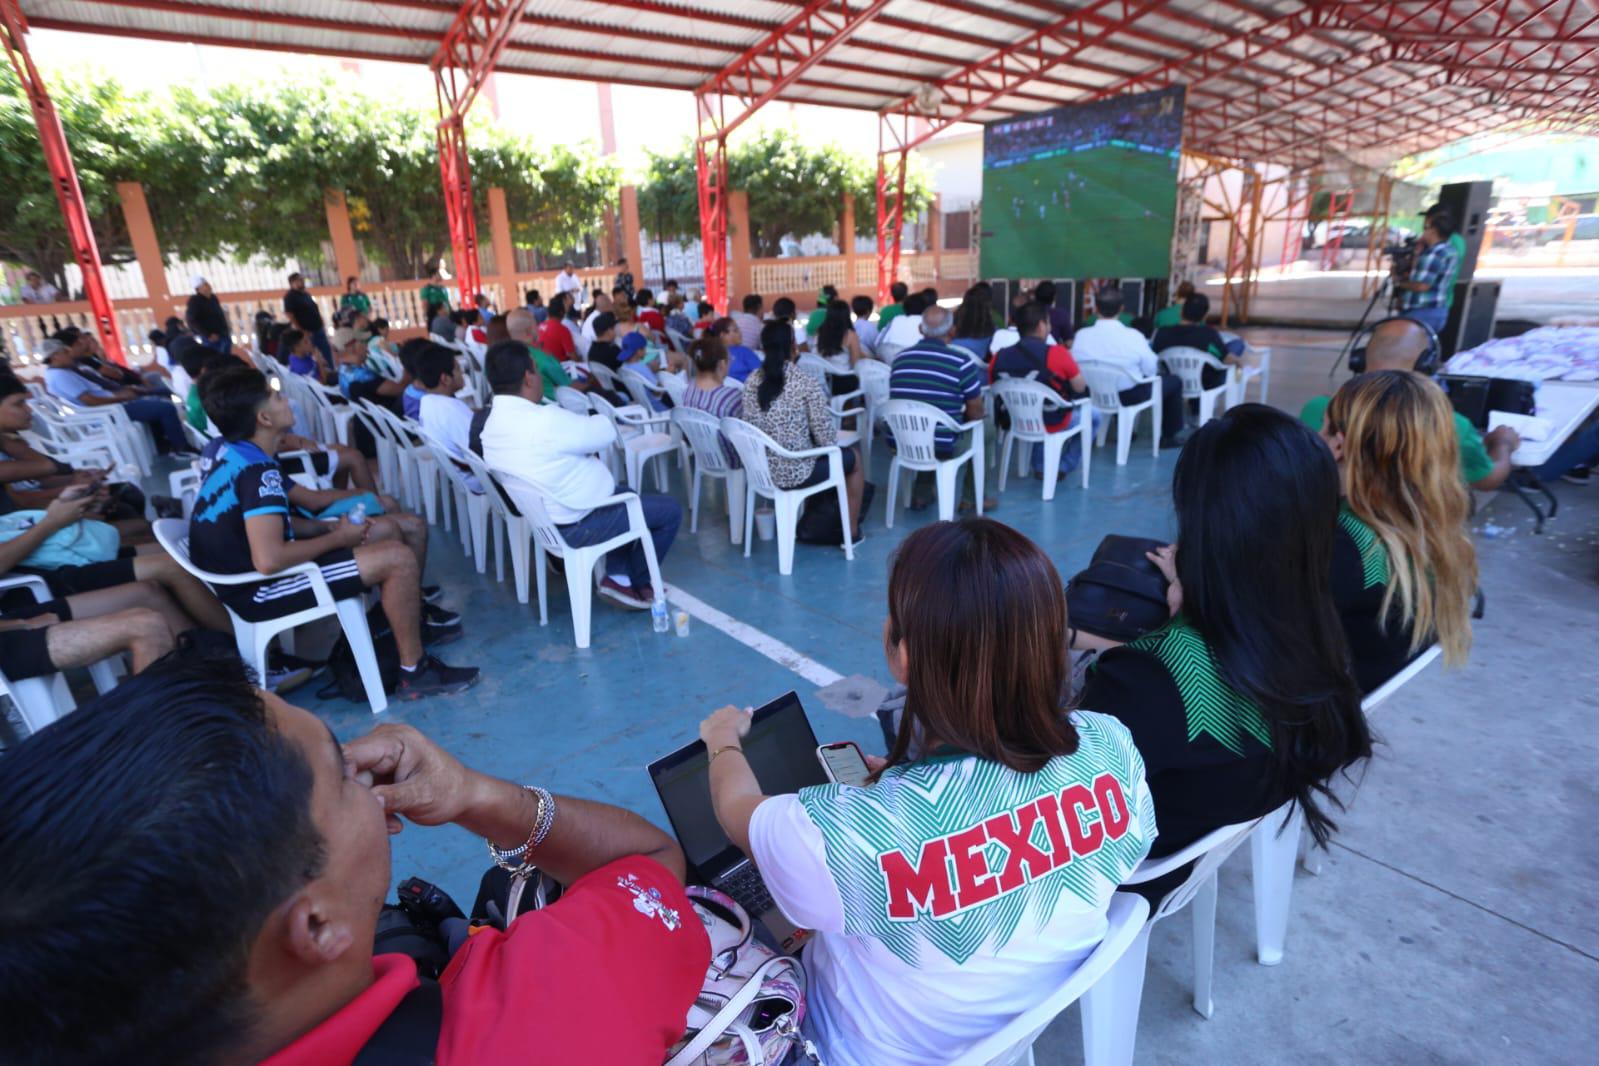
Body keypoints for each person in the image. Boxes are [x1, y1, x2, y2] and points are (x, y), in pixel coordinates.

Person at [0, 653, 710, 1064]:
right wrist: (474, 794)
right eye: (340, 772)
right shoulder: (532, 1011)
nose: (367, 775)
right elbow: (647, 858)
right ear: (313, 928)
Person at [700, 519, 1154, 1065]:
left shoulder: (846, 836)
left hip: (860, 1047)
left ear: (906, 655)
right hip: (1013, 1022)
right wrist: (900, 790)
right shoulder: (1111, 744)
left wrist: (722, 741)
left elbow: (736, 814)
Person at [1079, 405, 1372, 901]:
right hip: (1202, 833)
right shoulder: (1321, 632)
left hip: (1124, 878)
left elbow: (1058, 800)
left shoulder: (1145, 681)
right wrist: (1185, 608)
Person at [193, 365, 477, 698]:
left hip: (247, 580)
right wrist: (336, 539)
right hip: (259, 590)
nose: (286, 400)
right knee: (397, 559)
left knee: (386, 531)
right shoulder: (258, 473)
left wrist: (323, 528)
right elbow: (269, 560)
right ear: (264, 420)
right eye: (276, 396)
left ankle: (398, 626)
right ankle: (415, 672)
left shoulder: (240, 456)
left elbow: (267, 526)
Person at [478, 341, 680, 610]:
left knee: (626, 495)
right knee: (670, 511)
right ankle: (640, 580)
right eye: (537, 371)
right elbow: (605, 432)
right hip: (579, 523)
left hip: (546, 523)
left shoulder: (490, 425)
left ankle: (617, 577)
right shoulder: (544, 420)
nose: (539, 377)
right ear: (528, 378)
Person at [1319, 371, 1478, 693]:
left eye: (1322, 429)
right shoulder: (1434, 528)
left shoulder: (1343, 549)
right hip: (1353, 693)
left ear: (1339, 445)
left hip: (1303, 718)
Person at [1299, 317, 1519, 491]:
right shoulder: (1449, 424)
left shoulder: (1317, 409)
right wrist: (1503, 443)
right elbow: (1487, 480)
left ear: (1359, 357)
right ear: (1425, 364)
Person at [741, 321, 865, 542]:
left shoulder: (751, 381)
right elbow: (827, 440)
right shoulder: (804, 381)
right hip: (795, 473)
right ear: (793, 346)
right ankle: (852, 532)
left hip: (759, 469)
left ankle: (816, 517)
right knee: (853, 459)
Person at [888, 304, 988, 511]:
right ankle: (971, 498)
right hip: (942, 444)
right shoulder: (961, 362)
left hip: (902, 441)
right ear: (952, 331)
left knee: (926, 426)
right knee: (986, 429)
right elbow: (976, 411)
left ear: (920, 330)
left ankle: (922, 493)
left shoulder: (899, 360)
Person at [1071, 287, 1183, 449]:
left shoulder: (1081, 335)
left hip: (1092, 393)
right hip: (1128, 396)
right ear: (1121, 309)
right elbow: (1150, 370)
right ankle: (1168, 436)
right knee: (1174, 382)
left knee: (1120, 381)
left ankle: (1126, 430)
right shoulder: (1133, 336)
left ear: (1096, 308)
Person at [41, 339, 192, 455]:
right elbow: (91, 401)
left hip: (111, 406)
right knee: (166, 408)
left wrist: (121, 394)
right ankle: (181, 448)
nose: (70, 355)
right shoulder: (60, 376)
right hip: (108, 412)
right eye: (65, 352)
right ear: (55, 356)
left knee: (156, 401)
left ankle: (164, 444)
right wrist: (121, 398)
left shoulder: (60, 372)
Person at [992, 301, 1090, 476]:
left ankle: (1040, 463)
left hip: (1015, 420)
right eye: (1048, 323)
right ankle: (1063, 465)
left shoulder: (999, 356)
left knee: (1041, 408)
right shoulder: (1058, 353)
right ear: (1041, 326)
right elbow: (1080, 387)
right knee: (1093, 416)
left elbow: (993, 386)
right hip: (1053, 420)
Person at [1152, 292, 1237, 392]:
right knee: (1236, 346)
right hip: (1204, 384)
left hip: (1169, 382)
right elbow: (1225, 358)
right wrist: (1239, 363)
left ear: (1181, 311)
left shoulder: (1161, 333)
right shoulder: (1208, 334)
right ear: (1205, 316)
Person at [1394, 207, 1460, 335]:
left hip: (1422, 312)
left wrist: (1398, 281)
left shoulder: (1432, 254)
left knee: (1410, 352)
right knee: (1425, 351)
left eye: (1425, 227)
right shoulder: (1450, 250)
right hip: (1438, 310)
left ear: (1433, 230)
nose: (1423, 231)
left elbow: (1421, 286)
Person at [681, 334, 743, 466]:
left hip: (702, 455)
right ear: (721, 364)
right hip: (730, 459)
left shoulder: (688, 390)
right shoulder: (731, 397)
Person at [506, 306, 586, 401]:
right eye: (536, 324)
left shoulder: (504, 357)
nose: (538, 327)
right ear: (528, 331)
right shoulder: (542, 358)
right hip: (554, 407)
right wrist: (591, 383)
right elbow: (570, 386)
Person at [283, 272, 332, 370]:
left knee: (326, 352)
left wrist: (321, 321)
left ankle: (331, 371)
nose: (302, 282)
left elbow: (314, 309)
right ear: (292, 283)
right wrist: (302, 330)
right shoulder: (289, 297)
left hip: (318, 328)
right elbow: (290, 315)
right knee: (311, 355)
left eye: (302, 279)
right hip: (307, 332)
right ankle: (318, 375)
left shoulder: (306, 294)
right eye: (299, 280)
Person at [814, 299, 865, 393]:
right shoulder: (850, 335)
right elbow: (856, 363)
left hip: (823, 382)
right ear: (846, 316)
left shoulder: (819, 332)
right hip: (844, 381)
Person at [874, 290, 928, 363]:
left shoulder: (895, 320)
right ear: (926, 308)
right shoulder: (928, 322)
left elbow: (877, 343)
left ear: (904, 308)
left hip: (893, 363)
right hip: (920, 363)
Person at [950, 284, 998, 364]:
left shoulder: (949, 328)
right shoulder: (994, 331)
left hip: (951, 371)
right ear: (987, 305)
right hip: (979, 374)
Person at [707, 316, 762, 382]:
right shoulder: (744, 352)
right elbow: (760, 374)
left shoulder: (710, 353)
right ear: (723, 335)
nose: (740, 333)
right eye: (735, 330)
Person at [185, 276, 232, 352]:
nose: (209, 285)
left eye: (207, 283)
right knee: (216, 360)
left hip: (223, 334)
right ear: (198, 288)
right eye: (205, 284)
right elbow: (191, 320)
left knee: (226, 360)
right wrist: (207, 335)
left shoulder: (213, 298)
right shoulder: (194, 301)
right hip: (211, 339)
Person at [539, 292, 578, 361]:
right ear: (562, 312)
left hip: (543, 366)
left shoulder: (540, 326)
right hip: (559, 367)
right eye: (566, 308)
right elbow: (573, 356)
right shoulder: (562, 330)